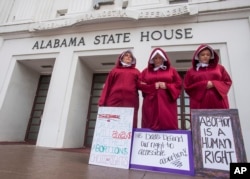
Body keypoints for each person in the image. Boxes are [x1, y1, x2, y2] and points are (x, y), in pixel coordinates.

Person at [139, 48, 182, 130]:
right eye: (155, 58)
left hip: (167, 102)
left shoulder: (171, 70)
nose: (158, 60)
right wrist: (152, 86)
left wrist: (167, 86)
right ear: (152, 59)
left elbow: (178, 83)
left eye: (160, 58)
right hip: (150, 102)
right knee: (149, 122)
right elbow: (139, 84)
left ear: (163, 59)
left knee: (167, 122)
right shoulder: (145, 71)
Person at [98, 50, 140, 128]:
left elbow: (142, 85)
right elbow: (107, 87)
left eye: (130, 56)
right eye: (126, 55)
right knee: (112, 122)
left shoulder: (136, 72)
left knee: (128, 123)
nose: (128, 57)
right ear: (121, 58)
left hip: (130, 102)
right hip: (113, 101)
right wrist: (101, 102)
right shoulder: (114, 71)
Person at [184, 44, 232, 109]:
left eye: (208, 54)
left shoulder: (220, 68)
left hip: (219, 101)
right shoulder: (191, 71)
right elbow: (187, 87)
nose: (205, 56)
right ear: (198, 56)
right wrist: (204, 84)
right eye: (202, 55)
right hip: (200, 103)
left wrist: (214, 84)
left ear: (211, 56)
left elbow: (227, 82)